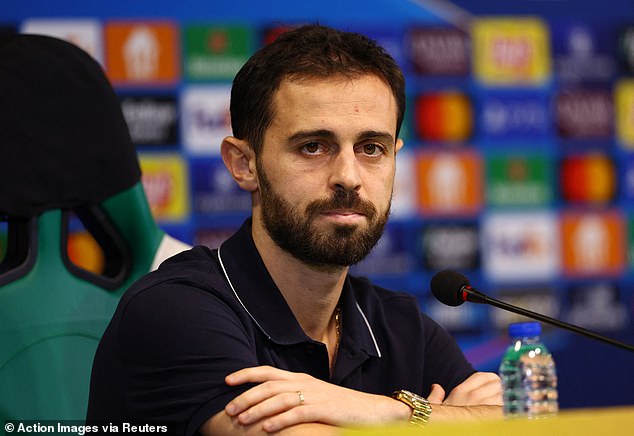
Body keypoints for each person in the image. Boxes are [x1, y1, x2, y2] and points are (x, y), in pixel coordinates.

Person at [87, 24, 502, 435]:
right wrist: (447, 420)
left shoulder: (400, 326)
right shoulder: (174, 310)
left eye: (370, 148)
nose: (348, 177)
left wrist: (382, 412)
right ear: (243, 164)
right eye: (313, 147)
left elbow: (522, 422)